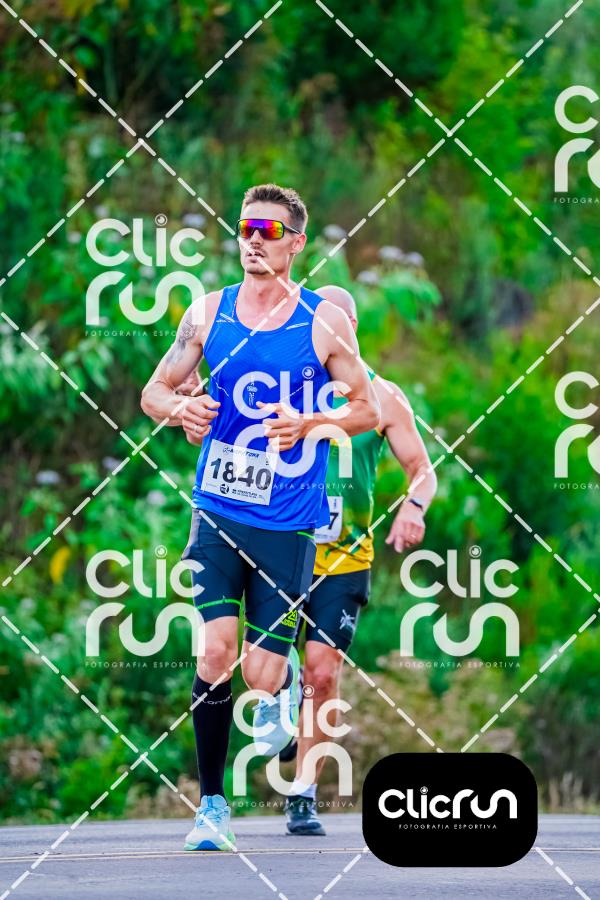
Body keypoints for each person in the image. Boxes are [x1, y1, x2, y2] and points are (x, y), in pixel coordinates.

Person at [140, 187, 379, 851]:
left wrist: (312, 422)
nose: (253, 240)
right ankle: (211, 806)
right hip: (217, 509)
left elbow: (366, 408)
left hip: (289, 522)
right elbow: (154, 389)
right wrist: (180, 410)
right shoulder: (206, 312)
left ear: (296, 244)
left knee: (261, 675)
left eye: (270, 231)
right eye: (246, 228)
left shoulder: (322, 323)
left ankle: (286, 682)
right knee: (215, 652)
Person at [282, 285, 438, 837]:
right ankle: (280, 702)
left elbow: (422, 469)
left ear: (350, 326)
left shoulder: (383, 397)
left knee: (323, 674)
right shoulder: (283, 384)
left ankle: (302, 793)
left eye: (332, 321)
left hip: (345, 559)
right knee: (265, 666)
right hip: (281, 547)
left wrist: (413, 507)